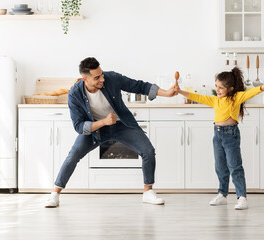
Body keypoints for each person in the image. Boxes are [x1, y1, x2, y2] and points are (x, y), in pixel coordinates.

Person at [45, 57, 177, 208]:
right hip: (96, 129)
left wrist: (166, 93)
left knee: (148, 150)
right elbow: (79, 127)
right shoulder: (74, 95)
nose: (102, 79)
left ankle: (148, 192)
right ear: (85, 79)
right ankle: (55, 194)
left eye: (101, 74)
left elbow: (139, 86)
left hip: (121, 124)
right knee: (73, 155)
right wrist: (103, 122)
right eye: (97, 77)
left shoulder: (111, 78)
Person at [176, 67, 264, 210]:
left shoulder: (236, 98)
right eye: (216, 86)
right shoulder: (215, 100)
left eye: (221, 88)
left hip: (230, 135)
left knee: (235, 166)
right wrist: (180, 91)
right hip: (217, 135)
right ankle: (222, 194)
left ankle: (242, 197)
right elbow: (197, 97)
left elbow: (251, 92)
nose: (217, 89)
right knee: (220, 167)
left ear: (230, 89)